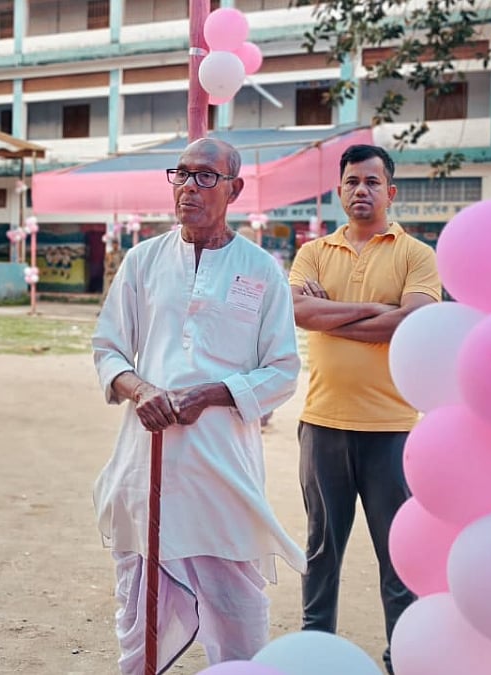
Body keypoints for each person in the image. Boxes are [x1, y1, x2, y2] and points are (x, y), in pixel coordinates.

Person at [91, 137, 306, 673]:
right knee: (141, 608)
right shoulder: (142, 261)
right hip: (148, 461)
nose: (190, 186)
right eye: (182, 174)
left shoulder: (260, 271)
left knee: (238, 608)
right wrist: (142, 391)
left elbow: (282, 370)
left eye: (206, 176)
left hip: (222, 465)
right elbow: (109, 348)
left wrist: (210, 394)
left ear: (234, 189)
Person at [287, 144, 440, 675]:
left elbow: (412, 322)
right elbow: (299, 312)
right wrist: (379, 310)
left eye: (373, 182)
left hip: (392, 430)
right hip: (323, 424)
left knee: (397, 556)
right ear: (339, 190)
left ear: (390, 192)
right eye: (352, 182)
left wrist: (332, 313)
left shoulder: (416, 254)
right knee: (321, 552)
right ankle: (314, 654)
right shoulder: (312, 252)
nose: (362, 191)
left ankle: (405, 658)